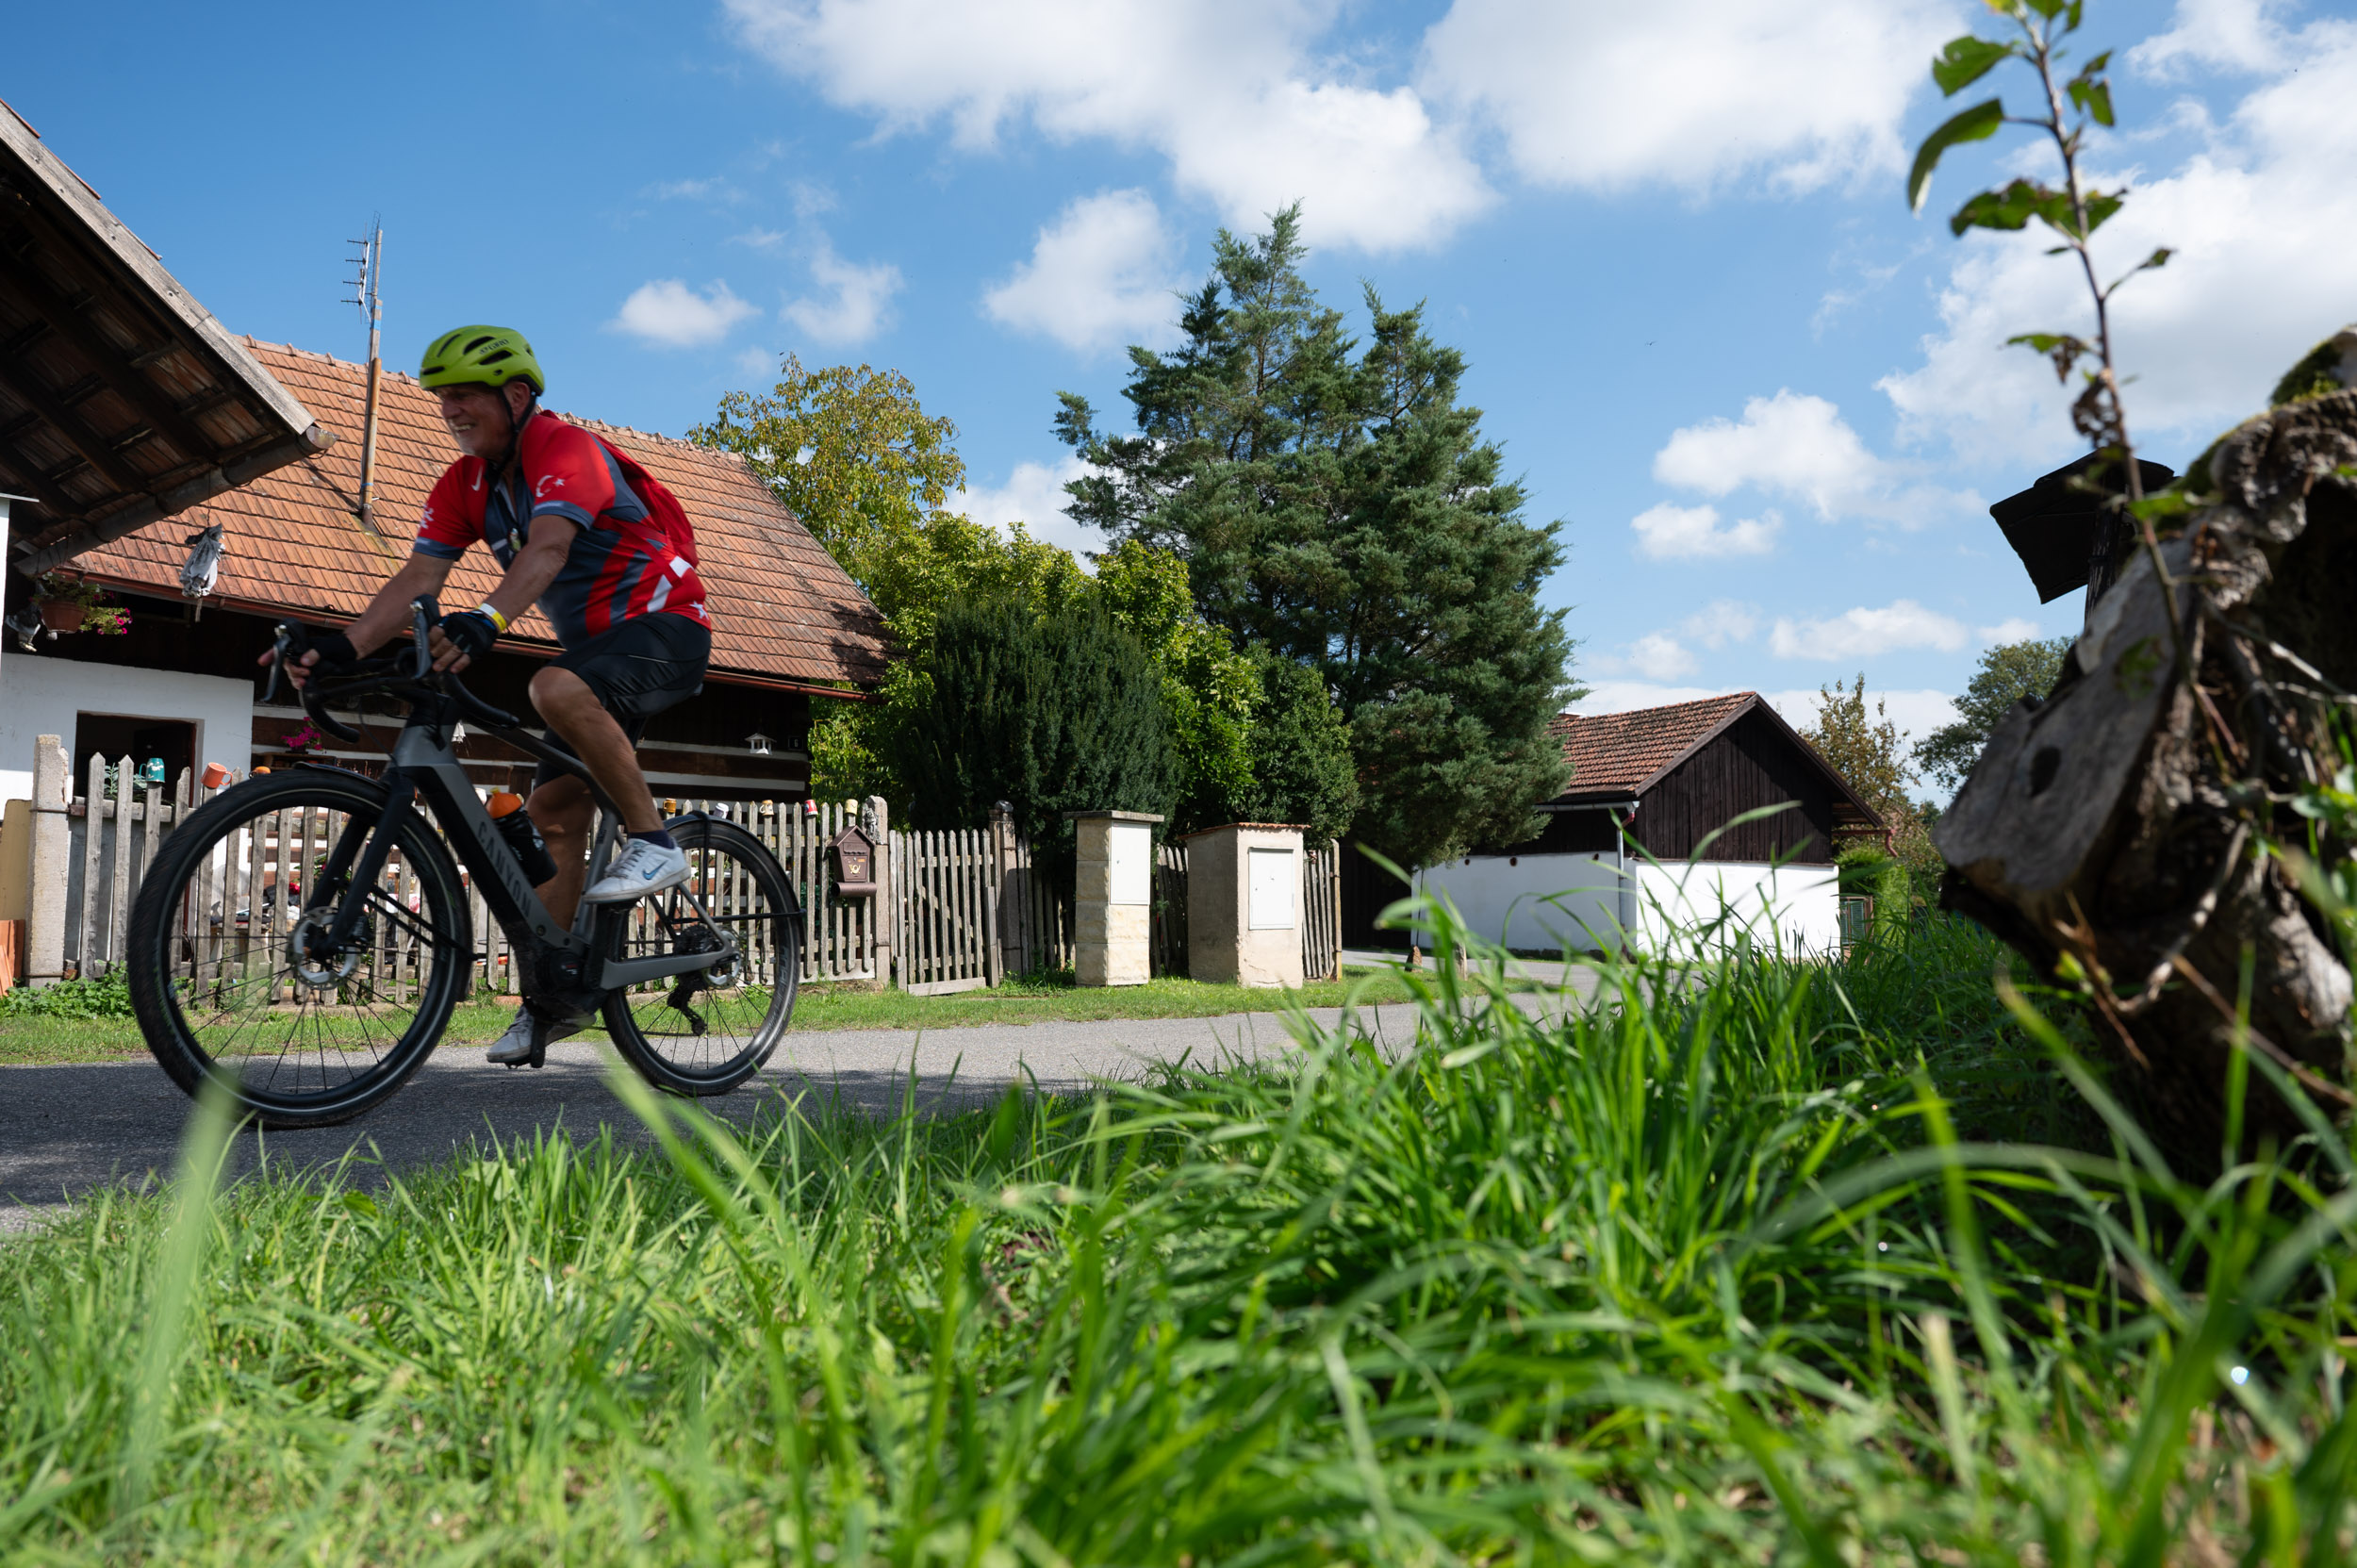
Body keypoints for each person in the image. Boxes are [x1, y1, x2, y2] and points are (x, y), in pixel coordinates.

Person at [272, 324, 714, 1064]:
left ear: (515, 395)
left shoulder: (566, 450)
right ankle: (554, 1001)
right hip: (597, 657)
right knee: (553, 814)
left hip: (667, 628)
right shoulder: (465, 485)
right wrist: (344, 645)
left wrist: (488, 619)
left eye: (464, 395)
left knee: (550, 683)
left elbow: (548, 548)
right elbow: (419, 577)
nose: (450, 409)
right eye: (442, 397)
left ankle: (655, 842)